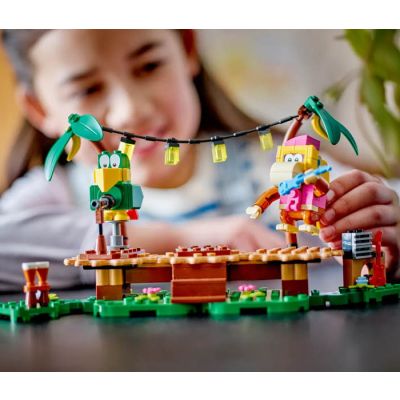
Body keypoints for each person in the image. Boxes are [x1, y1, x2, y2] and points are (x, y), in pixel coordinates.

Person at [0, 29, 399, 291]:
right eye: (87, 89)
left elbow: (373, 225)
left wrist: (386, 231)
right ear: (39, 108)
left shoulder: (280, 163)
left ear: (187, 47)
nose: (131, 111)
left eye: (149, 66)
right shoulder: (59, 194)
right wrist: (180, 241)